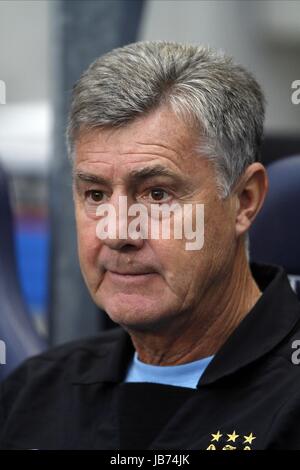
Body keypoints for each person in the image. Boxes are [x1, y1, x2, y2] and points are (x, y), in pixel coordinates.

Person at [1, 41, 300, 450]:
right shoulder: (32, 394)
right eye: (95, 195)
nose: (117, 232)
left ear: (244, 200)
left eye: (157, 195)